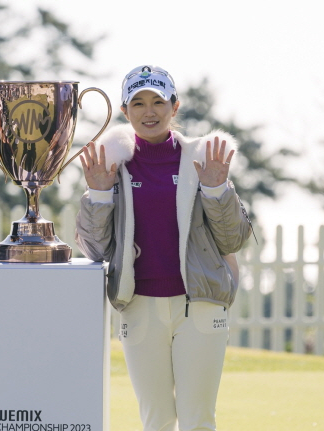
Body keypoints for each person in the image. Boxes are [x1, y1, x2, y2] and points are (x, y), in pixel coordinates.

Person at [75, 65, 253, 431]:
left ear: (175, 106)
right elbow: (95, 249)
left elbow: (233, 240)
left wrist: (218, 190)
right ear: (125, 111)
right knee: (155, 420)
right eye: (138, 103)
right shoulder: (112, 165)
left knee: (197, 420)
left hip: (200, 306)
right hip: (139, 308)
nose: (149, 111)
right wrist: (98, 193)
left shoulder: (203, 159)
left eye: (158, 101)